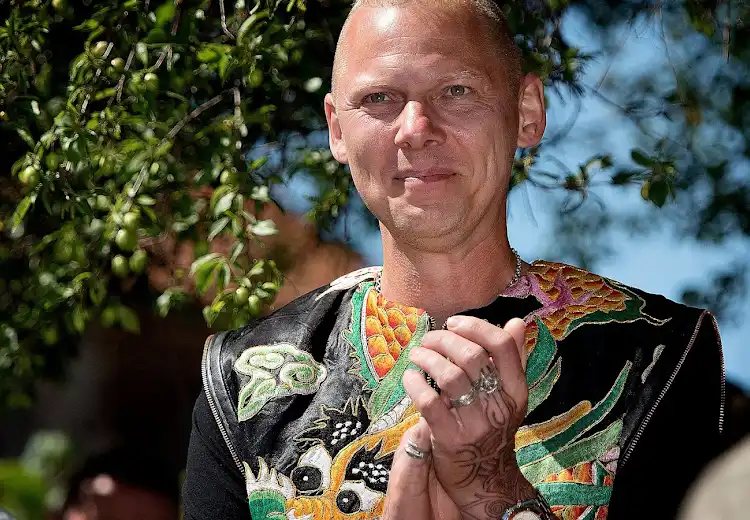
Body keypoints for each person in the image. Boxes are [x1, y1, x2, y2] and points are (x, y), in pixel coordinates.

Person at [182, 1, 726, 519]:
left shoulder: (657, 354)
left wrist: (496, 491)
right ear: (337, 130)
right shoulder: (241, 383)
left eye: (456, 91)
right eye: (379, 98)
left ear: (526, 112)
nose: (415, 129)